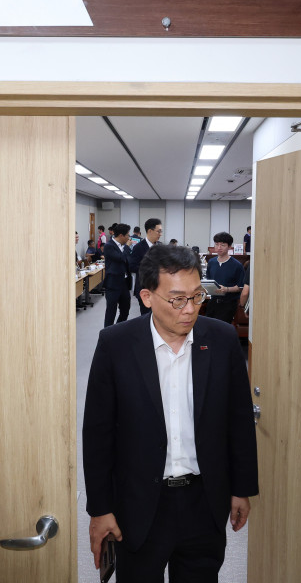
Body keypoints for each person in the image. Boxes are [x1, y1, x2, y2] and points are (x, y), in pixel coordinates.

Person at [83, 245, 258, 582]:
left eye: (196, 297)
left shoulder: (221, 340)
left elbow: (238, 420)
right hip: (139, 503)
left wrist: (242, 488)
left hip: (204, 501)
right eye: (177, 299)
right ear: (147, 297)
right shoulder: (116, 344)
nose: (190, 309)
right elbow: (98, 434)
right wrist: (100, 509)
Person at [205, 232, 246, 324]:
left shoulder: (237, 265)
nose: (219, 247)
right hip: (212, 302)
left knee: (221, 329)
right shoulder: (211, 262)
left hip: (228, 304)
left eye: (223, 245)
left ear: (229, 247)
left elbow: (241, 287)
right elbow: (208, 281)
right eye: (216, 244)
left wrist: (226, 289)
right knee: (209, 327)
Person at [130, 217, 162, 315]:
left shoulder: (160, 247)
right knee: (146, 317)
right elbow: (132, 266)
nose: (160, 234)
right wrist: (150, 268)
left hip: (159, 289)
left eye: (161, 231)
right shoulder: (138, 247)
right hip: (144, 288)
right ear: (150, 231)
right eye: (158, 231)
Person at [103, 223, 133, 327]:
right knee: (111, 311)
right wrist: (128, 247)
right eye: (128, 235)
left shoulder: (123, 246)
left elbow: (128, 260)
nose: (129, 238)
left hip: (124, 283)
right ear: (121, 235)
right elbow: (121, 258)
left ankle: (118, 329)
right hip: (113, 283)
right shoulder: (109, 246)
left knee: (125, 310)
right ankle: (107, 333)